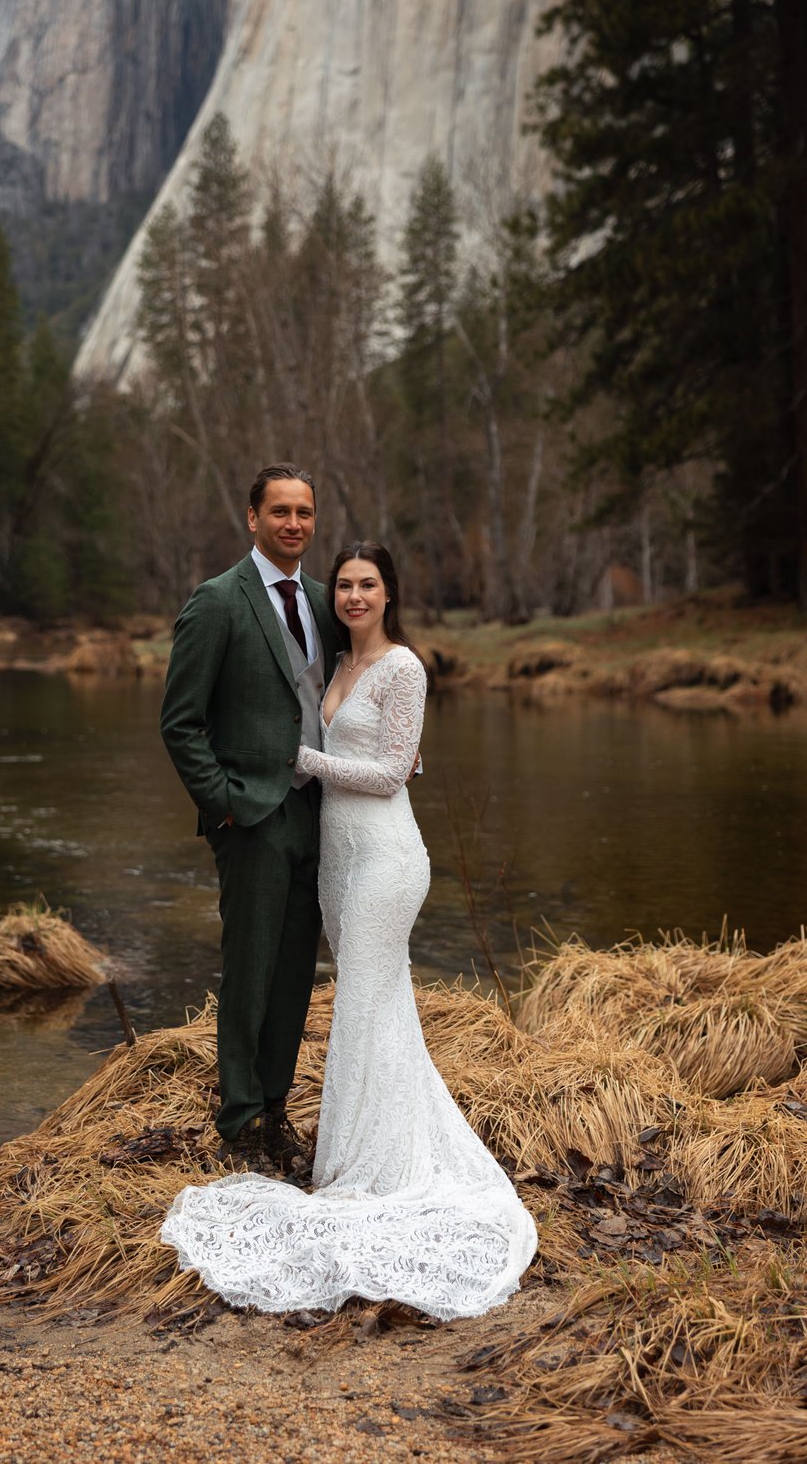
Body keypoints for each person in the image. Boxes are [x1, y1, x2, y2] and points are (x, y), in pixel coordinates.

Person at [161, 542, 538, 1320]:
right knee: (369, 1002)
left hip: (385, 857)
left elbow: (392, 768)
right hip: (332, 849)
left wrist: (297, 757)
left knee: (364, 999)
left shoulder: (402, 665)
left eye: (369, 585)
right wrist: (240, 790)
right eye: (349, 586)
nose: (355, 596)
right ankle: (314, 1138)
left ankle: (376, 1166)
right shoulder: (330, 653)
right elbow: (201, 718)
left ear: (390, 593)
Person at [160, 464, 343, 1171]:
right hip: (252, 817)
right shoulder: (216, 603)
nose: (293, 523)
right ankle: (238, 1122)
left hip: (316, 811)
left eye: (304, 512)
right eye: (279, 511)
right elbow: (181, 724)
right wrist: (226, 804)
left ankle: (274, 1109)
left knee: (296, 971)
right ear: (251, 517)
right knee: (250, 970)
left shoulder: (328, 603)